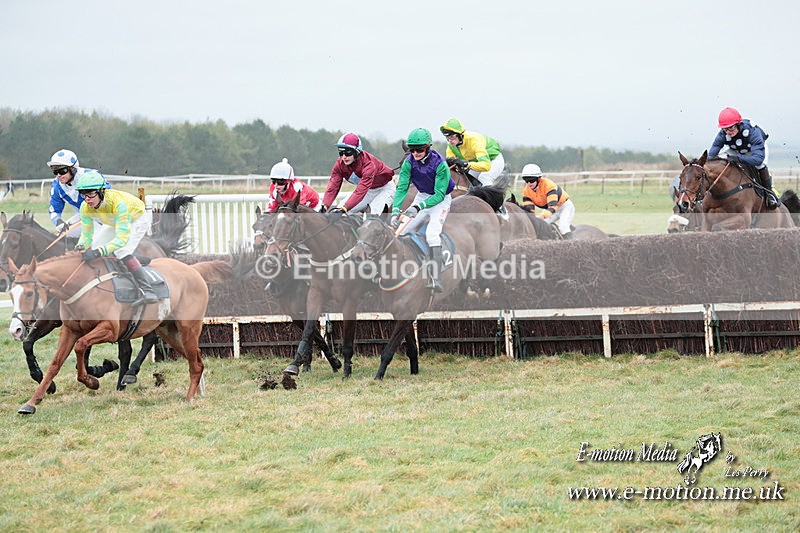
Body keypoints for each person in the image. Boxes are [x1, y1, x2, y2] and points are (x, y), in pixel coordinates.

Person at [74, 170, 157, 307]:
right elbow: (87, 235)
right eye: (83, 194)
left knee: (121, 251)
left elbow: (121, 239)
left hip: (137, 219)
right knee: (94, 247)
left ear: (101, 191)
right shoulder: (85, 207)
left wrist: (99, 252)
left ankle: (148, 291)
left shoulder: (118, 203)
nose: (87, 199)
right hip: (113, 222)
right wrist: (81, 246)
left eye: (90, 194)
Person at [391, 128, 455, 293]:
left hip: (441, 200)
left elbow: (439, 194)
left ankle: (436, 278)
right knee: (401, 231)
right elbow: (402, 187)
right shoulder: (408, 163)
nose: (415, 153)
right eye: (412, 149)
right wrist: (396, 211)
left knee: (432, 235)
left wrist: (418, 207)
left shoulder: (440, 164)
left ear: (428, 147)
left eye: (419, 149)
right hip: (422, 196)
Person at [709, 107, 779, 209]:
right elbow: (711, 156)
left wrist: (738, 158)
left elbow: (758, 159)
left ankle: (769, 193)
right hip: (737, 149)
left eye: (731, 128)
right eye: (725, 129)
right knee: (720, 158)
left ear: (738, 124)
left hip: (755, 151)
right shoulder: (722, 134)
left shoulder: (752, 131)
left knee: (760, 165)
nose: (728, 132)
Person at [321, 133, 396, 215]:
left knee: (370, 217)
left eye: (348, 153)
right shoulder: (339, 164)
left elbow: (360, 191)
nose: (344, 157)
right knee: (337, 212)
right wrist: (325, 206)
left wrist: (345, 208)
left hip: (385, 189)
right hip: (368, 191)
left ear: (357, 152)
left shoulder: (369, 165)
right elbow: (333, 186)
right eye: (341, 153)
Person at [46, 149, 110, 238]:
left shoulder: (92, 176)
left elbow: (109, 198)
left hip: (106, 217)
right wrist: (58, 221)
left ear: (73, 168)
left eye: (62, 171)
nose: (58, 175)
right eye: (55, 172)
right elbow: (54, 210)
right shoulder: (57, 186)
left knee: (95, 242)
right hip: (83, 216)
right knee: (58, 236)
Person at [439, 118, 504, 186]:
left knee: (484, 178)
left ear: (460, 135)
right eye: (447, 137)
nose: (450, 140)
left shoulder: (474, 141)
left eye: (452, 136)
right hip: (477, 162)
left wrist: (466, 165)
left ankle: (492, 196)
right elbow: (451, 164)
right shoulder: (451, 146)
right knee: (467, 179)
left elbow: (486, 166)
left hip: (493, 160)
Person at [519, 163, 576, 239]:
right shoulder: (526, 191)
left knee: (563, 228)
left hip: (564, 207)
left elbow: (553, 207)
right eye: (526, 180)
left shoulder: (549, 185)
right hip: (549, 210)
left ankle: (574, 245)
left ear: (538, 179)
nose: (529, 183)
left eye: (531, 180)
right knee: (541, 227)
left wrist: (541, 217)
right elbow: (530, 212)